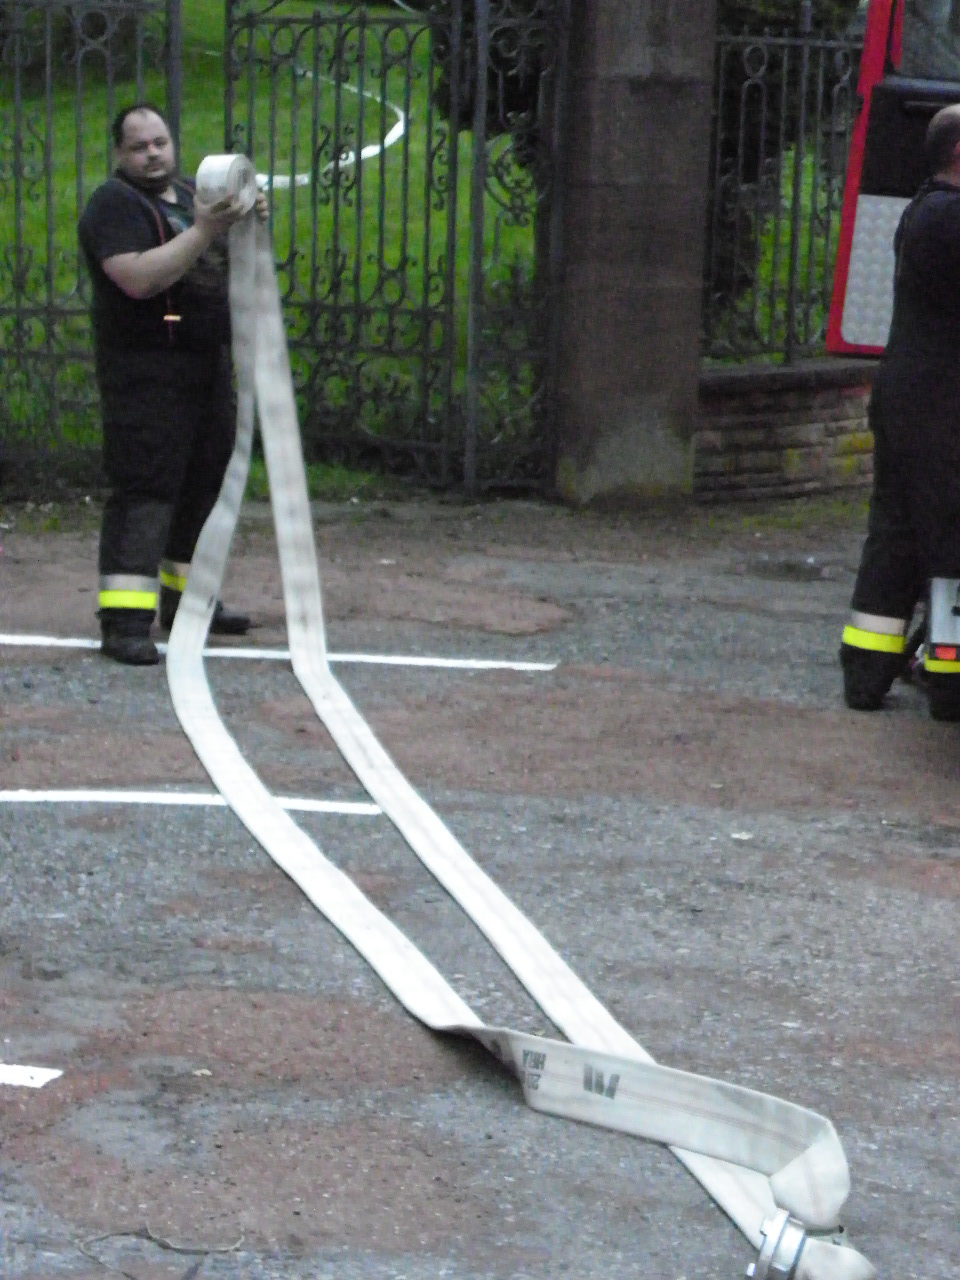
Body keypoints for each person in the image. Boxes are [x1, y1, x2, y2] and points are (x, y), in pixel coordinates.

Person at [79, 103, 267, 665]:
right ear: (120, 153)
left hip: (204, 364)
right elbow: (138, 278)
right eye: (139, 146)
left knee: (204, 485)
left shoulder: (190, 197)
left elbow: (230, 264)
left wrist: (248, 219)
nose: (153, 154)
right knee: (148, 490)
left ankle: (192, 603)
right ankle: (124, 621)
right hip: (145, 372)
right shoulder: (113, 205)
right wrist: (207, 228)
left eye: (160, 142)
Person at [840, 103, 960, 718]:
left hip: (911, 399)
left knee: (898, 535)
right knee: (949, 539)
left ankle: (866, 673)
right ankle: (951, 681)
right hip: (941, 407)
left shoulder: (925, 212)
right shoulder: (947, 217)